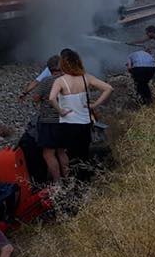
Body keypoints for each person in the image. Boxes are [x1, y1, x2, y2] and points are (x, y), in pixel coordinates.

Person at [48, 49, 113, 178]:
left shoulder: (61, 81)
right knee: (84, 153)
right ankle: (85, 180)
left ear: (63, 64)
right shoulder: (86, 78)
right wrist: (94, 105)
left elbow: (51, 98)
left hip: (68, 123)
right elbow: (108, 88)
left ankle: (74, 184)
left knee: (71, 155)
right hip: (84, 123)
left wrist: (61, 111)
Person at [32, 55, 68, 182]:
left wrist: (42, 98)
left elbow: (35, 98)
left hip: (49, 122)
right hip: (65, 121)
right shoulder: (67, 81)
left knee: (48, 154)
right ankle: (68, 179)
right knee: (61, 152)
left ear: (50, 68)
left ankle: (58, 183)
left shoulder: (47, 81)